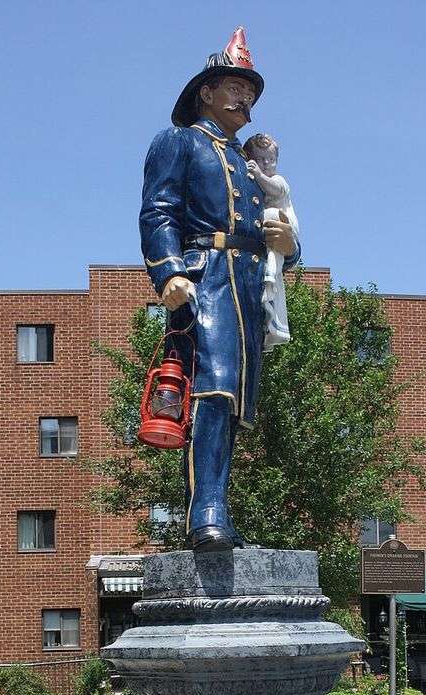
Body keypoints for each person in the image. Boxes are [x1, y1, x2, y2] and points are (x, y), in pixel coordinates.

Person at [140, 28, 300, 551]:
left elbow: (276, 234)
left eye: (249, 94)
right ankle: (205, 513)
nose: (244, 99)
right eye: (234, 87)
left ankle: (219, 511)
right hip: (204, 279)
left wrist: (288, 243)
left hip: (247, 291)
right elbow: (159, 211)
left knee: (232, 403)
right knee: (212, 390)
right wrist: (168, 272)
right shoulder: (178, 142)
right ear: (205, 91)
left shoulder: (251, 167)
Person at [243, 133, 299, 348]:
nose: (266, 164)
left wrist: (257, 174)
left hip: (282, 223)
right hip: (263, 237)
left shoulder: (276, 180)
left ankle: (270, 275)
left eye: (271, 160)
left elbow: (275, 189)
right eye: (260, 159)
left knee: (271, 219)